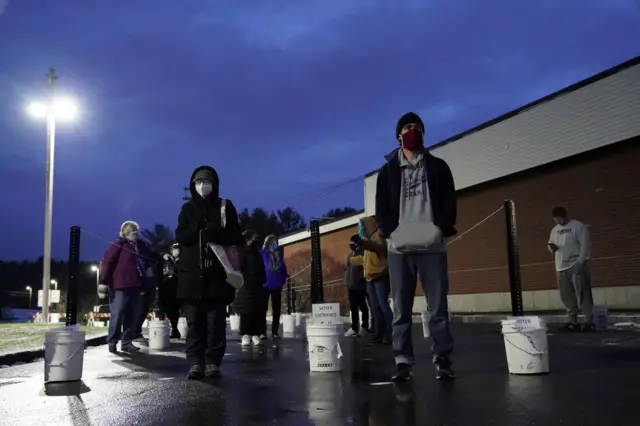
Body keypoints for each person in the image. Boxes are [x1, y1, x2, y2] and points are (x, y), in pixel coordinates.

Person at [375, 112, 457, 381]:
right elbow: (381, 209)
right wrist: (391, 233)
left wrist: (439, 230)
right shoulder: (387, 172)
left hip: (432, 247)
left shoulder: (439, 167)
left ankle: (442, 358)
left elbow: (449, 203)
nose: (413, 131)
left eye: (417, 127)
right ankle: (402, 361)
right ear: (399, 135)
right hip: (399, 249)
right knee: (401, 309)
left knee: (437, 307)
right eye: (408, 127)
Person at [175, 165, 243, 379]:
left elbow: (235, 236)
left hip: (217, 274)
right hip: (192, 275)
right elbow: (182, 237)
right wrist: (196, 227)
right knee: (195, 322)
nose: (202, 186)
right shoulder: (187, 209)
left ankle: (213, 361)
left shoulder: (225, 206)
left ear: (215, 184)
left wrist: (215, 231)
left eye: (207, 182)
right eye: (198, 182)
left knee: (215, 322)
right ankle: (196, 362)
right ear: (192, 185)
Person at [99, 221, 154, 354]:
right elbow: (107, 263)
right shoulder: (119, 245)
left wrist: (163, 256)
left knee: (132, 315)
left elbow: (151, 257)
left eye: (136, 229)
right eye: (131, 229)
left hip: (137, 285)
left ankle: (127, 343)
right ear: (124, 232)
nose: (135, 232)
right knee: (117, 315)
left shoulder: (141, 246)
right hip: (120, 286)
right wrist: (103, 282)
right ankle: (112, 341)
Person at [548, 206, 594, 331]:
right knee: (567, 295)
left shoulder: (578, 226)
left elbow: (585, 245)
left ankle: (589, 320)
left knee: (583, 293)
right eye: (556, 220)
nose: (558, 222)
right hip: (561, 266)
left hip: (576, 264)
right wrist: (551, 248)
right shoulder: (555, 230)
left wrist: (581, 261)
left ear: (565, 216)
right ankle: (573, 321)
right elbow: (550, 243)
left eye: (559, 219)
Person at [349, 217, 392, 344]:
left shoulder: (377, 236)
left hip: (380, 276)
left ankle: (389, 333)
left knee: (382, 305)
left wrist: (361, 242)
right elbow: (366, 259)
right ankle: (378, 333)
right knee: (375, 307)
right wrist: (352, 259)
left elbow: (377, 248)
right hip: (371, 278)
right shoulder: (368, 240)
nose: (360, 229)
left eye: (361, 226)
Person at [233, 230, 268, 347]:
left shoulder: (258, 254)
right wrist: (244, 280)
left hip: (257, 286)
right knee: (246, 311)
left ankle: (255, 333)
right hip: (246, 285)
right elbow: (239, 269)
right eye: (250, 239)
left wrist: (262, 280)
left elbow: (262, 268)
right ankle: (245, 334)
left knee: (257, 311)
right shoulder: (242, 253)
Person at [260, 235, 288, 340]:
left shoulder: (279, 255)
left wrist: (282, 280)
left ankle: (275, 332)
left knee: (277, 309)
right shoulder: (262, 254)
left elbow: (284, 269)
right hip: (264, 285)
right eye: (271, 242)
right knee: (263, 308)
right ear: (267, 243)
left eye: (274, 242)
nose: (273, 244)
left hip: (277, 285)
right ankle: (262, 332)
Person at [343, 241, 370, 337]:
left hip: (360, 285)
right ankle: (354, 328)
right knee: (353, 307)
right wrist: (346, 281)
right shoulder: (350, 254)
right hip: (350, 285)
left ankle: (365, 327)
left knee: (363, 307)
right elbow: (346, 269)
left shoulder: (362, 254)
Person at [160, 243, 181, 338]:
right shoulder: (168, 260)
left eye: (177, 249)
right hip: (168, 289)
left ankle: (177, 330)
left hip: (180, 288)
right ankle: (174, 329)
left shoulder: (183, 261)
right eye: (174, 249)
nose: (175, 251)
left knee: (178, 310)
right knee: (170, 311)